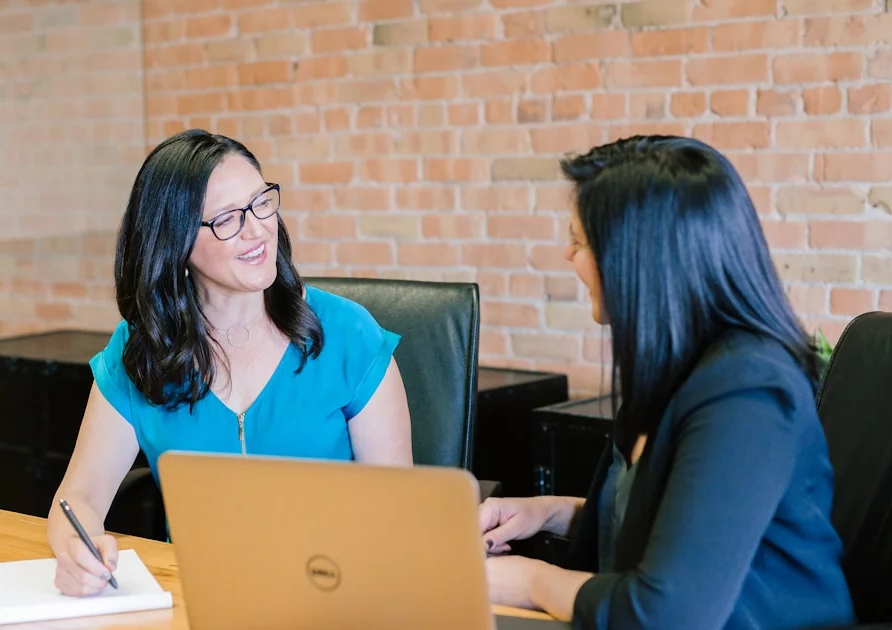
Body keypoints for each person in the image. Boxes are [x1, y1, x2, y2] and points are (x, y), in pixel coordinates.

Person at [478, 136, 856, 629]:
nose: (566, 254)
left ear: (641, 258)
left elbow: (668, 613)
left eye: (581, 240)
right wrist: (547, 512)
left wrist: (530, 581)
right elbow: (670, 523)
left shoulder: (748, 392)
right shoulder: (678, 366)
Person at [47, 129, 413, 597]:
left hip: (335, 594)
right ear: (176, 244)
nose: (258, 228)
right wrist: (76, 552)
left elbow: (399, 511)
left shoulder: (348, 335)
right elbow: (76, 498)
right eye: (227, 219)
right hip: (198, 598)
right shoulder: (141, 353)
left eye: (262, 202)